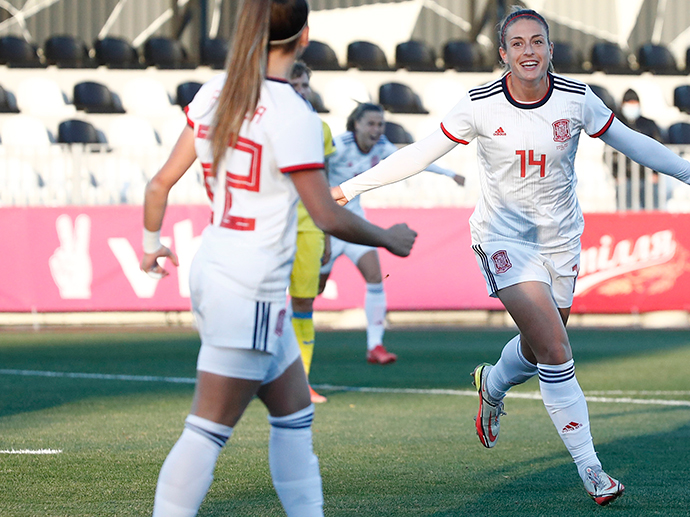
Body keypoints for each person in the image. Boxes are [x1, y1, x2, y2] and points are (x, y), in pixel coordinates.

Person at [332, 7, 690, 507]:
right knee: (556, 347)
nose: (529, 51)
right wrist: (350, 188)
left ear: (550, 49)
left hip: (561, 241)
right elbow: (419, 153)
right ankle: (591, 469)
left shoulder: (576, 98)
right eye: (518, 43)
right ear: (503, 54)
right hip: (503, 240)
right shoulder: (479, 104)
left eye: (537, 41)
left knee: (539, 346)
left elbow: (634, 144)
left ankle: (492, 383)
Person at [139, 1, 416, 515]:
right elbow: (326, 214)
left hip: (217, 265)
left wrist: (150, 243)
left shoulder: (214, 93)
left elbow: (158, 184)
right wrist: (388, 238)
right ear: (304, 35)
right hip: (252, 284)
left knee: (294, 417)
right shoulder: (294, 112)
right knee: (206, 430)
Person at [320, 102, 464, 364]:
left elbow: (414, 159)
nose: (376, 130)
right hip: (327, 224)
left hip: (356, 224)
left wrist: (449, 173)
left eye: (380, 124)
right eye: (371, 124)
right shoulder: (338, 146)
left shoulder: (382, 146)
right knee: (314, 289)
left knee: (375, 277)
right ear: (356, 124)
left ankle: (375, 345)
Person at [288, 60, 334, 403]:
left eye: (304, 85)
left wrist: (328, 231)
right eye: (294, 85)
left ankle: (300, 381)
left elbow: (324, 182)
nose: (301, 91)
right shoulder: (262, 123)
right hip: (270, 224)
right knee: (264, 303)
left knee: (304, 301)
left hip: (309, 225)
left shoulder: (321, 129)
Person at [612, 88, 665, 209]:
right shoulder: (616, 124)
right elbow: (609, 152)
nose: (632, 107)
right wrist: (616, 174)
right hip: (625, 177)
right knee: (624, 212)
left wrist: (655, 172)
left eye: (634, 103)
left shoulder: (649, 124)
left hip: (646, 176)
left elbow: (658, 149)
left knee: (651, 211)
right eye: (629, 103)